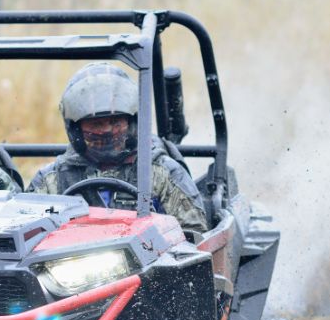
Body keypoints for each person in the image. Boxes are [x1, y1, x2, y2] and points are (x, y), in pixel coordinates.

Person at [27, 63, 208, 232]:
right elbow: (27, 237)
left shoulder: (161, 173)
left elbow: (194, 237)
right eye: (96, 124)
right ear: (76, 130)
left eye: (115, 122)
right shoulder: (51, 180)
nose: (106, 130)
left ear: (131, 122)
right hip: (66, 263)